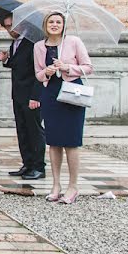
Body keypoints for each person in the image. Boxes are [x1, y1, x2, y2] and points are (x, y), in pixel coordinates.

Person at [34, 12, 93, 204]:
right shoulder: (38, 46)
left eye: (58, 22)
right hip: (50, 93)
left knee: (71, 141)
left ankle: (73, 186)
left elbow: (88, 67)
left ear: (63, 25)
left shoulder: (73, 41)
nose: (54, 24)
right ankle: (56, 184)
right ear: (45, 25)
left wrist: (66, 67)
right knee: (54, 141)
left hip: (72, 92)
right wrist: (47, 72)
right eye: (51, 21)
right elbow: (38, 74)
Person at [0, 14, 46, 180]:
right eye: (6, 27)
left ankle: (39, 167)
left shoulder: (34, 43)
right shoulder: (15, 43)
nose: (10, 30)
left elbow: (39, 71)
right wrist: (5, 60)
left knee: (34, 131)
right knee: (22, 130)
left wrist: (36, 96)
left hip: (31, 95)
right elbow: (17, 64)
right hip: (17, 94)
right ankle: (27, 163)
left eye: (12, 25)